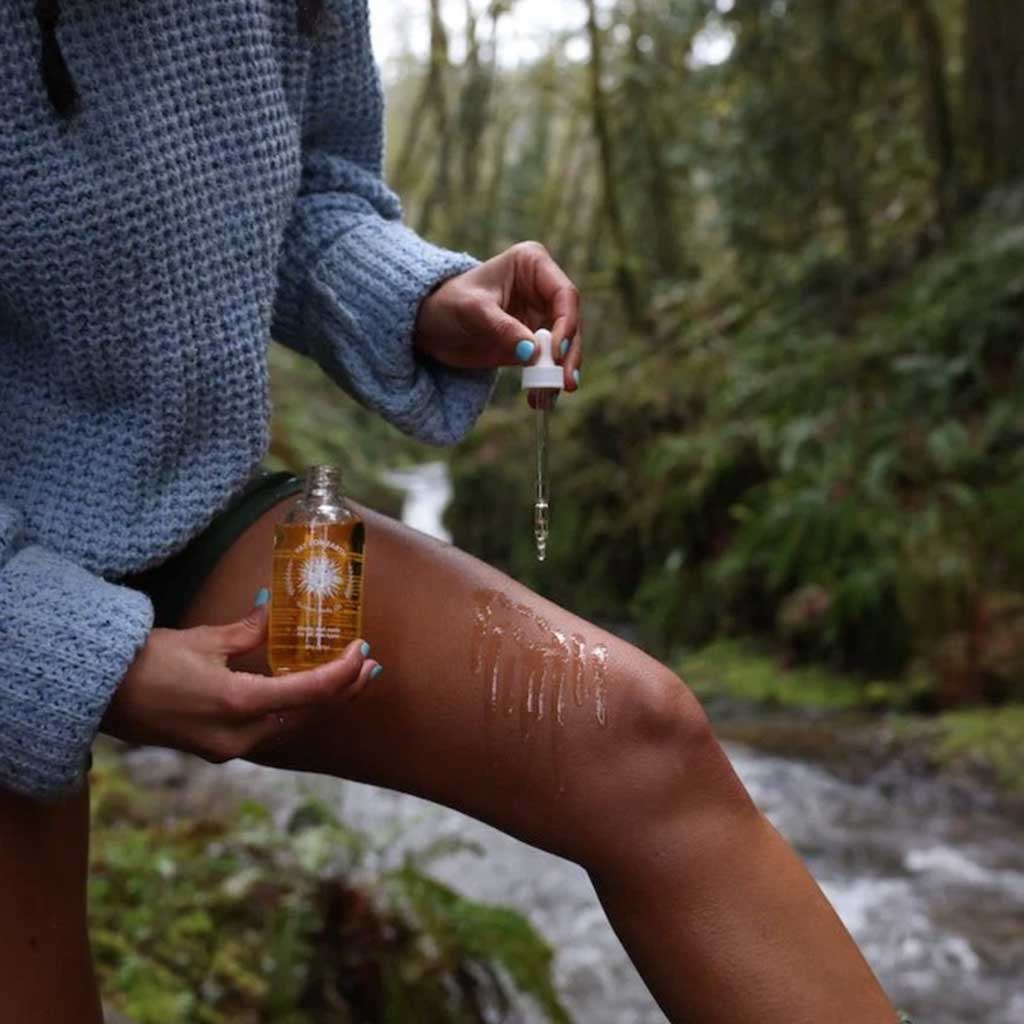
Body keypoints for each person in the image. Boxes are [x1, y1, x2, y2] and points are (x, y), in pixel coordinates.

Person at [0, 2, 903, 1021]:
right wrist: (69, 654)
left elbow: (305, 191)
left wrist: (421, 299)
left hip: (165, 499)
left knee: (636, 739)